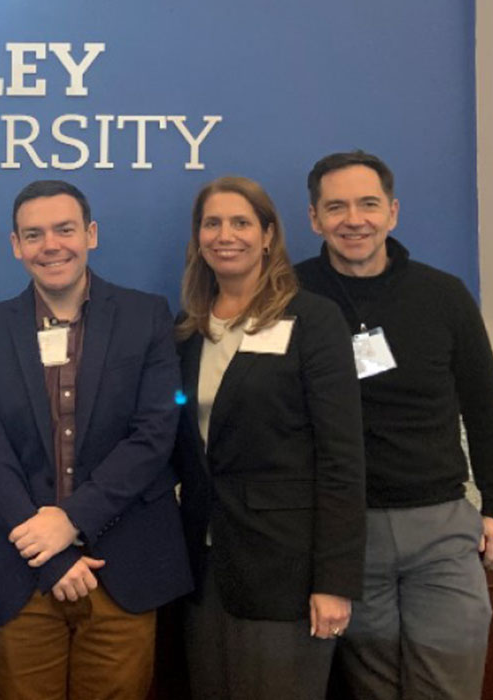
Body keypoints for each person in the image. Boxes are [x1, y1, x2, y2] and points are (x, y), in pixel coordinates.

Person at [295, 150, 493, 699]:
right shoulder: (290, 296)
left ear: (393, 213)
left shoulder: (443, 295)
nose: (355, 219)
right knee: (371, 689)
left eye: (369, 204)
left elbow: (485, 406)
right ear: (314, 219)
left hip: (440, 527)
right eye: (337, 207)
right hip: (346, 530)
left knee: (449, 683)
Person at [0, 180, 192, 700]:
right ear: (16, 246)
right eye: (33, 234)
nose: (51, 245)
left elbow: (155, 434)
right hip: (20, 570)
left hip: (122, 566)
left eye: (65, 229)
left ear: (91, 234)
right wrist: (50, 551)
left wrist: (71, 519)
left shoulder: (146, 315)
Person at [171, 176, 366, 699]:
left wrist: (334, 582)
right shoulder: (188, 331)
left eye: (240, 222)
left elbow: (342, 460)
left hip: (288, 572)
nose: (225, 235)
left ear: (268, 234)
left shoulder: (313, 320)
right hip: (205, 567)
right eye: (212, 223)